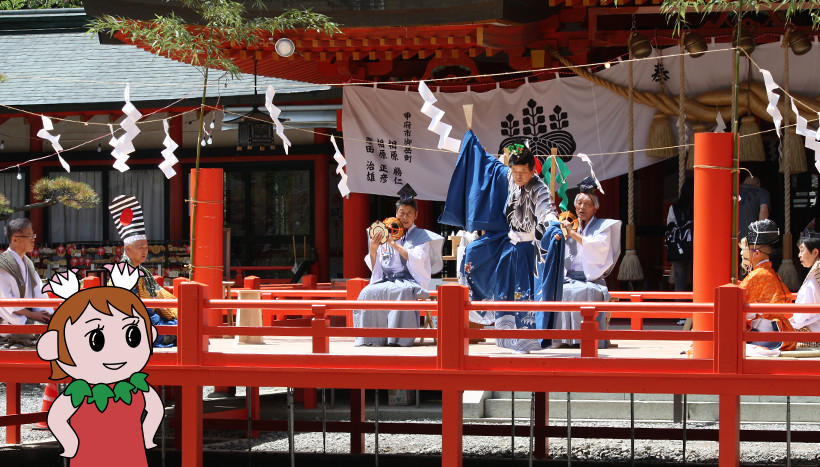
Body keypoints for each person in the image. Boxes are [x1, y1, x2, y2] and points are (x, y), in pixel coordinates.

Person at [439, 132, 564, 353]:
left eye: (523, 173)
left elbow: (547, 212)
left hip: (528, 250)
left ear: (532, 170)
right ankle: (507, 337)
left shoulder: (539, 188)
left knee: (523, 293)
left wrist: (553, 228)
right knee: (474, 253)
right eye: (515, 172)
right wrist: (473, 145)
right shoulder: (511, 179)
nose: (518, 176)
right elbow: (491, 167)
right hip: (509, 247)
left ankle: (527, 340)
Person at [36, 271, 164, 466]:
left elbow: (57, 419)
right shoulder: (136, 389)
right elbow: (154, 411)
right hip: (118, 455)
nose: (116, 351)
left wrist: (71, 444)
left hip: (116, 457)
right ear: (55, 346)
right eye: (97, 340)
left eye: (132, 336)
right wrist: (147, 436)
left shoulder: (81, 392)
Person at [353, 184, 444, 347]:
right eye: (402, 213)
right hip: (387, 279)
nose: (405, 217)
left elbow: (417, 260)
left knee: (400, 292)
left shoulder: (421, 236)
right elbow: (377, 267)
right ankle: (370, 338)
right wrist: (373, 249)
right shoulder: (386, 232)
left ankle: (398, 339)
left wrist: (395, 245)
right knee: (367, 292)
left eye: (409, 213)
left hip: (408, 280)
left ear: (416, 215)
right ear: (396, 214)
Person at [552, 178, 622, 348]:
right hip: (570, 277)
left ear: (595, 207)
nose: (582, 207)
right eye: (579, 203)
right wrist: (558, 237)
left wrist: (573, 234)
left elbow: (596, 245)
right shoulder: (569, 225)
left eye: (586, 204)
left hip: (591, 279)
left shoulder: (603, 227)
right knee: (559, 290)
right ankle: (561, 339)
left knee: (583, 291)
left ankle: (584, 338)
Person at [109, 195, 177, 347]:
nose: (145, 251)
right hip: (132, 324)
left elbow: (158, 294)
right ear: (128, 249)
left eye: (146, 247)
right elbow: (138, 309)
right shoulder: (123, 274)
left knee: (181, 323)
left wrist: (176, 308)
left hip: (148, 319)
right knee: (177, 330)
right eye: (140, 247)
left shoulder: (141, 272)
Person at [738, 219, 793, 351]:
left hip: (764, 335)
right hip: (772, 329)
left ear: (756, 253)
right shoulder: (769, 272)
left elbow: (736, 306)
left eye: (745, 250)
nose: (741, 253)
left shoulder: (757, 275)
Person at [0, 217, 52, 349]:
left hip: (28, 316)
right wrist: (31, 315)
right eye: (29, 235)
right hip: (9, 319)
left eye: (33, 235)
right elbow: (6, 301)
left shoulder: (28, 263)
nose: (33, 239)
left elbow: (39, 292)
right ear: (15, 239)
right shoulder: (3, 265)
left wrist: (47, 313)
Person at [790, 232, 820, 341]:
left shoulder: (816, 273)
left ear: (815, 252)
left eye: (802, 250)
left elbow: (801, 316)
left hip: (813, 333)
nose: (799, 255)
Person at [738, 174, 771, 242]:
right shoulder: (762, 192)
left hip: (731, 234)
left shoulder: (732, 190)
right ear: (758, 184)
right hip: (751, 235)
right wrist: (760, 234)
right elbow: (763, 212)